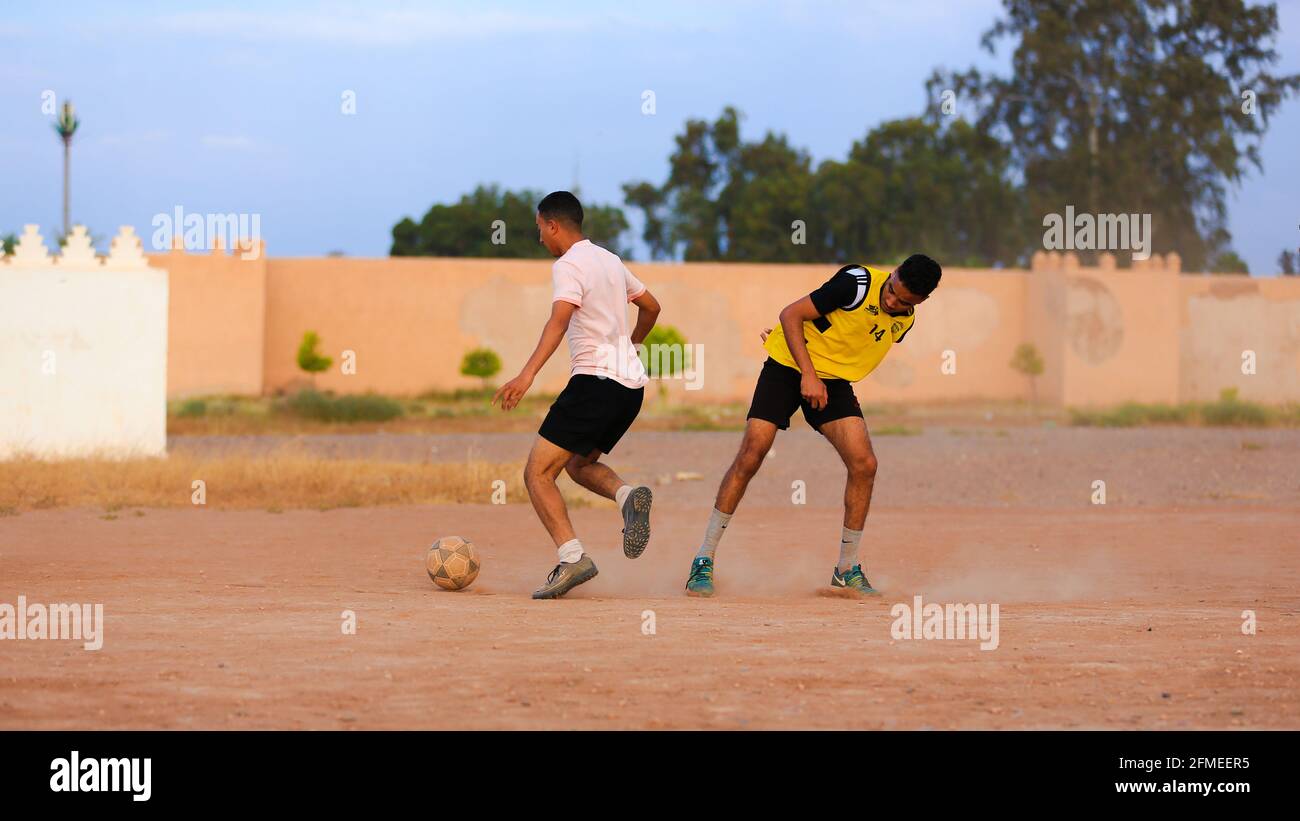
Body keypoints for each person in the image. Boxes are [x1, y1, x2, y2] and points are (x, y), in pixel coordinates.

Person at [683, 254, 942, 598]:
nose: (892, 301)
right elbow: (791, 314)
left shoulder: (904, 321)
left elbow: (847, 338)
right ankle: (703, 559)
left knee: (864, 465)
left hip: (832, 383)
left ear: (921, 301)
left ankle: (847, 569)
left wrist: (820, 376)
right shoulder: (857, 284)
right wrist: (806, 371)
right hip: (788, 367)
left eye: (903, 300)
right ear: (893, 273)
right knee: (752, 454)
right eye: (893, 290)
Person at [493, 191, 661, 599]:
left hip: (594, 384)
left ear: (552, 225)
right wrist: (630, 345)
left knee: (537, 473)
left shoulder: (568, 265)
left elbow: (558, 321)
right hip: (630, 389)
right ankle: (626, 496)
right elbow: (653, 307)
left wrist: (526, 375)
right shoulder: (611, 260)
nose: (540, 240)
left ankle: (573, 558)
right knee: (578, 465)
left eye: (539, 230)